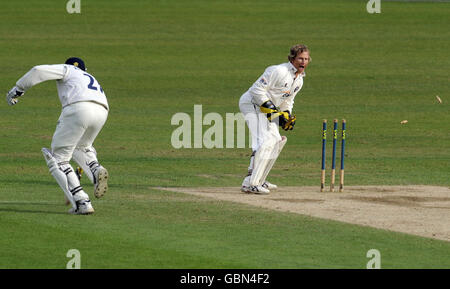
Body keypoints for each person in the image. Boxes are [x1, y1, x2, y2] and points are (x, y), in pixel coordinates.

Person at [6, 57, 109, 214]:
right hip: (101, 111)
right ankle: (95, 169)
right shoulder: (89, 77)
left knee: (58, 159)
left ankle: (82, 202)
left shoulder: (68, 69)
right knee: (82, 147)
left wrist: (18, 89)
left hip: (78, 108)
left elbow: (37, 70)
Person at [239, 44, 311, 194]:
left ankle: (258, 181)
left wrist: (286, 116)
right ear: (292, 59)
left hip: (267, 111)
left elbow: (287, 101)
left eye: (306, 59)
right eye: (300, 58)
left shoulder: (299, 80)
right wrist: (272, 111)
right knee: (266, 141)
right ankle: (252, 184)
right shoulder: (278, 70)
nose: (303, 62)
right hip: (252, 104)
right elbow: (256, 90)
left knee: (278, 141)